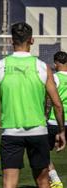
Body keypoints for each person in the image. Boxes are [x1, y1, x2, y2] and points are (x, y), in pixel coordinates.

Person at [0, 22, 66, 188]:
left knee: (9, 184)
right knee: (43, 182)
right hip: (38, 132)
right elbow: (57, 104)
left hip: (11, 133)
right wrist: (61, 131)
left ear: (12, 40)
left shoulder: (0, 66)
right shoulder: (42, 67)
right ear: (32, 40)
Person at [47, 51, 67, 188]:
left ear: (56, 63)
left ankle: (55, 180)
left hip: (54, 121)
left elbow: (49, 100)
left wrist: (44, 115)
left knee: (41, 152)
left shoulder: (54, 78)